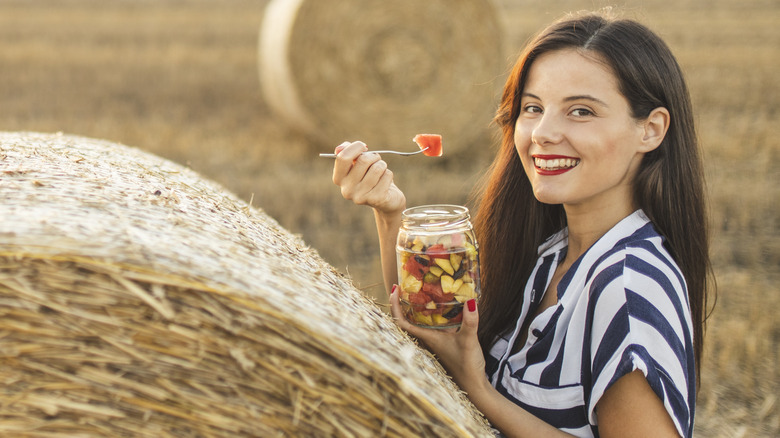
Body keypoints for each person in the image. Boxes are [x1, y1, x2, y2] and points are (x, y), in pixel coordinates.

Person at [329, 10, 712, 438]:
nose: (542, 132)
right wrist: (391, 213)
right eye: (533, 108)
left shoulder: (627, 291)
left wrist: (479, 389)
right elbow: (432, 327)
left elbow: (470, 380)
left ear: (651, 130)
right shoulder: (552, 254)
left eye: (581, 111)